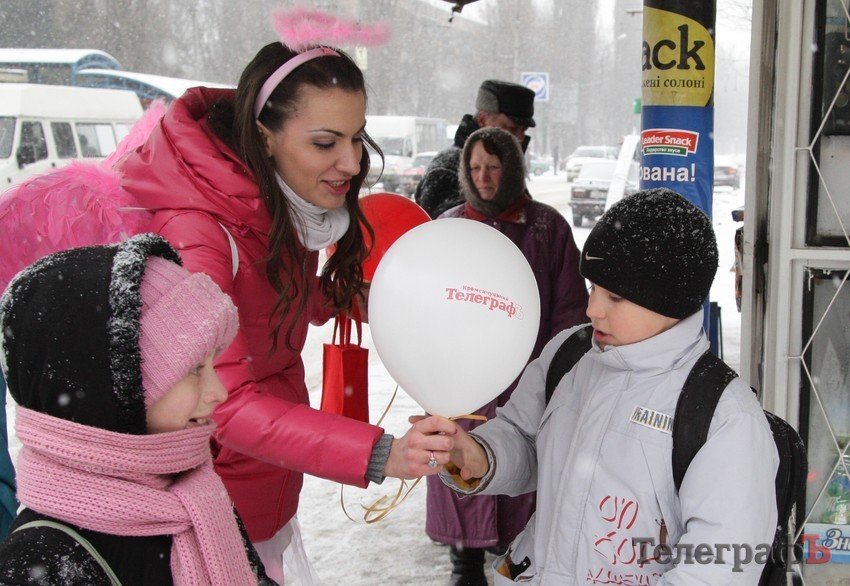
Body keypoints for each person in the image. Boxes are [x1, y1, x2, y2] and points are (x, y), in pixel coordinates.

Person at [116, 41, 454, 582]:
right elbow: (222, 403)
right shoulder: (199, 232)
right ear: (266, 136)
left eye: (356, 138)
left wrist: (337, 298)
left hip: (256, 491)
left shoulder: (274, 201)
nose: (351, 163)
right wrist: (378, 452)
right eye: (326, 142)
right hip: (204, 513)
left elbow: (258, 301)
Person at [420, 189, 779, 584]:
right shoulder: (569, 356)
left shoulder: (723, 416)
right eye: (592, 288)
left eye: (616, 297)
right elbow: (523, 438)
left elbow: (716, 570)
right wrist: (477, 455)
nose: (593, 309)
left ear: (670, 301)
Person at [0, 234, 268, 585]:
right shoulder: (45, 562)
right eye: (193, 369)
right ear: (107, 390)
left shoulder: (196, 496)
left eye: (212, 363)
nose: (218, 391)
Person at [431, 127, 588, 585]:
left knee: (521, 464)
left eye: (493, 168)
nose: (483, 177)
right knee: (461, 457)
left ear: (513, 169)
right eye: (475, 168)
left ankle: (517, 557)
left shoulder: (547, 227)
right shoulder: (449, 228)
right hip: (461, 380)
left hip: (527, 379)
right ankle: (464, 562)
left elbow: (569, 310)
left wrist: (554, 369)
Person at [415, 79, 536, 219]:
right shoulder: (446, 168)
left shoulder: (509, 166)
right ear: (483, 119)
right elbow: (447, 230)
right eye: (512, 128)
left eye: (524, 130)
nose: (520, 137)